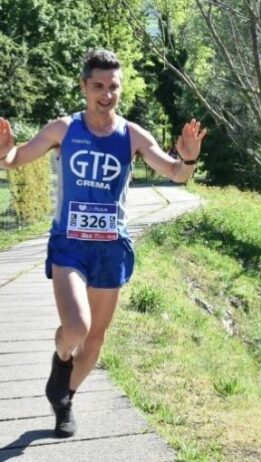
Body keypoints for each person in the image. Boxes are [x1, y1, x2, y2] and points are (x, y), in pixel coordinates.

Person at [0, 49, 206, 438]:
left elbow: (176, 173)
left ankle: (64, 400)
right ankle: (61, 358)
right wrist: (3, 150)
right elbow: (14, 159)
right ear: (84, 86)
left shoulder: (133, 136)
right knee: (77, 327)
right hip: (70, 245)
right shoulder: (64, 129)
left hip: (111, 249)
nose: (106, 95)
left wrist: (189, 160)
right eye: (98, 86)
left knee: (95, 339)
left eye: (113, 87)